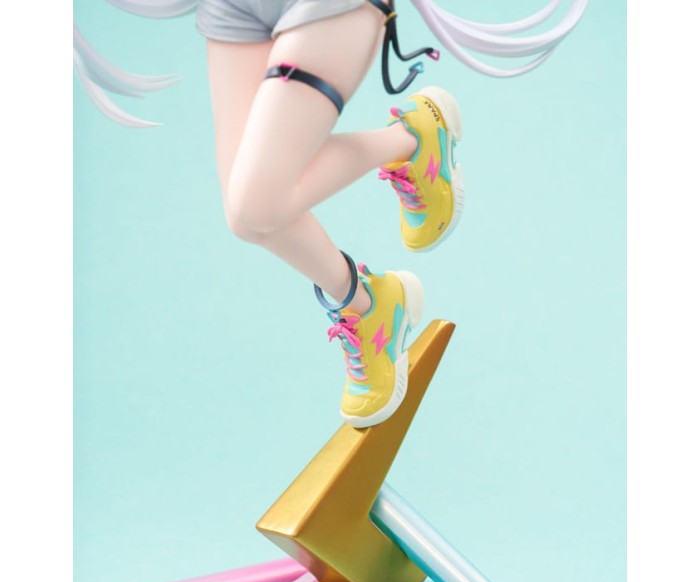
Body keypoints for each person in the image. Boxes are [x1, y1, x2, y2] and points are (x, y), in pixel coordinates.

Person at [74, 0, 589, 426]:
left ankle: (412, 139)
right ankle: (369, 304)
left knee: (258, 200)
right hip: (232, 8)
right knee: (246, 216)